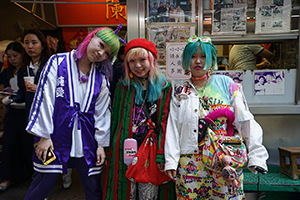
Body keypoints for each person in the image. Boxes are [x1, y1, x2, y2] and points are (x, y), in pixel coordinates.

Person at [164, 36, 269, 199]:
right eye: (193, 56)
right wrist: (171, 161)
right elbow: (172, 128)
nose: (198, 61)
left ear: (212, 59)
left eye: (203, 56)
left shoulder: (226, 84)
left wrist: (257, 156)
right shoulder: (179, 91)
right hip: (191, 163)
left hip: (225, 159)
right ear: (186, 60)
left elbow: (245, 120)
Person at [23, 27, 120, 200]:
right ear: (90, 38)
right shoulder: (57, 62)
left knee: (93, 186)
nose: (101, 53)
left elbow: (103, 112)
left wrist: (100, 144)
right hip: (54, 135)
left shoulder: (101, 77)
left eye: (107, 53)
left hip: (87, 139)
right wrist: (44, 136)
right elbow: (44, 97)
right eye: (101, 45)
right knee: (43, 182)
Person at [104, 38, 175, 200]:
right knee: (127, 193)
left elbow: (165, 123)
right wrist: (109, 151)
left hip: (150, 151)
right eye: (132, 61)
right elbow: (114, 121)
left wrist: (161, 154)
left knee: (148, 195)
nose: (138, 65)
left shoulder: (165, 87)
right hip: (125, 149)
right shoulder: (123, 87)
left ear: (152, 60)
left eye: (142, 60)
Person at [0, 42, 34, 191]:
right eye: (9, 56)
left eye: (15, 55)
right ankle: (8, 176)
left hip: (26, 112)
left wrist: (13, 99)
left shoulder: (28, 70)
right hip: (12, 112)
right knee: (9, 144)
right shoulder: (7, 72)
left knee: (28, 145)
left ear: (22, 54)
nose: (12, 59)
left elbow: (25, 92)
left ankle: (33, 176)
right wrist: (0, 62)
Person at [18, 29, 52, 121]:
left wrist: (40, 89)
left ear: (42, 46)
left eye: (34, 43)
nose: (30, 46)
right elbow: (22, 92)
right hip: (31, 113)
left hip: (48, 112)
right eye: (26, 43)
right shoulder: (23, 69)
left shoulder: (52, 66)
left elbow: (60, 89)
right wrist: (11, 98)